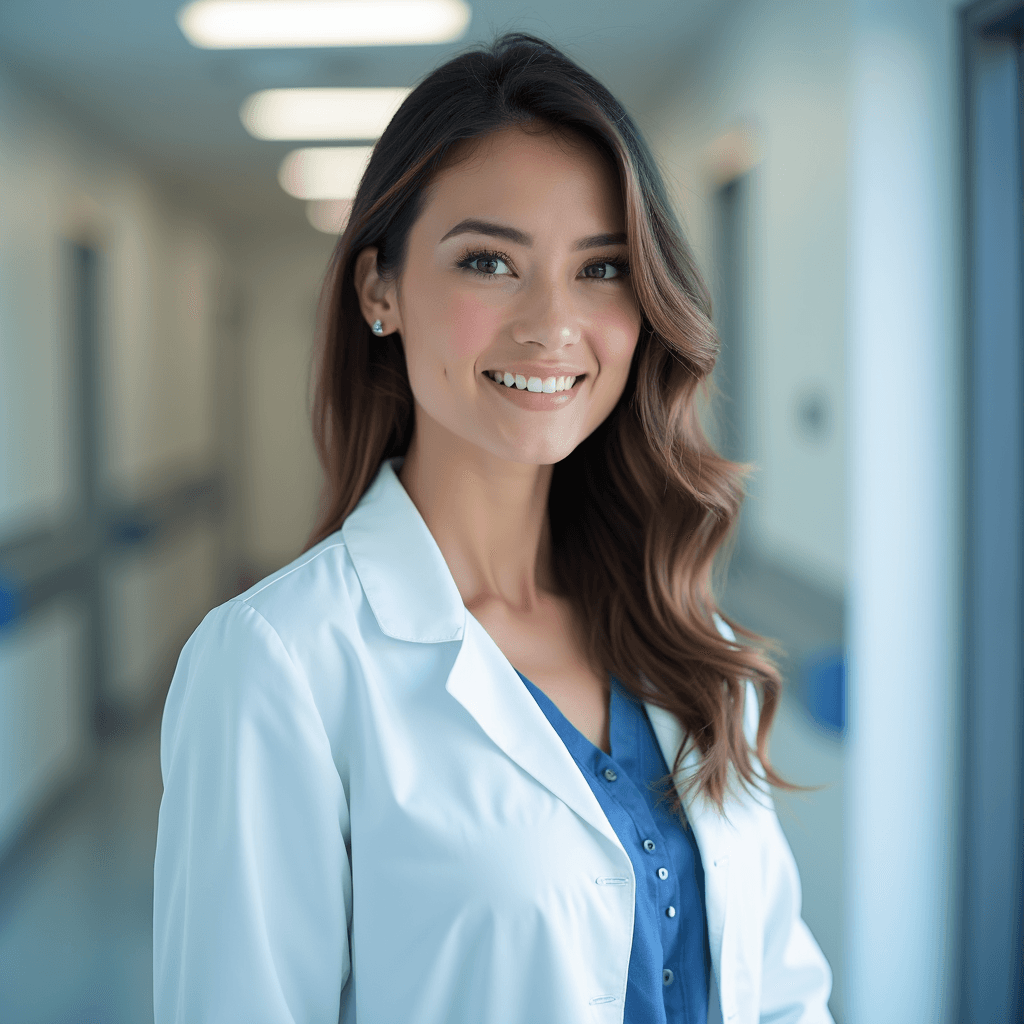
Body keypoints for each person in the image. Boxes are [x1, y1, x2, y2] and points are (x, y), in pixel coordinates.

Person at [153, 33, 833, 1024]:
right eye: (488, 261)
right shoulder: (278, 665)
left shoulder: (687, 638)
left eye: (601, 269)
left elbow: (779, 991)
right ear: (378, 290)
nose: (553, 324)